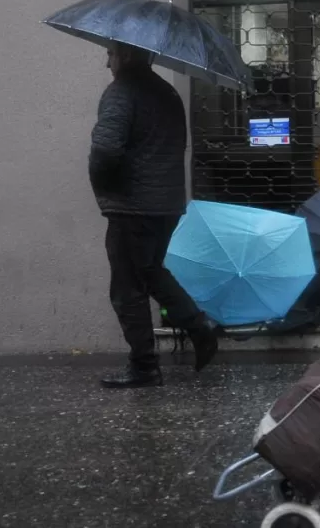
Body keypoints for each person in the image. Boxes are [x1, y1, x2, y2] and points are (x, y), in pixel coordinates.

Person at [90, 42, 221, 389]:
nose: (107, 62)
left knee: (127, 289)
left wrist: (104, 187)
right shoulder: (167, 92)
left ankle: (144, 366)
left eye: (110, 53)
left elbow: (105, 149)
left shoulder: (122, 92)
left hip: (132, 206)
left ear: (126, 55)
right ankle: (199, 327)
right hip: (166, 205)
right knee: (150, 272)